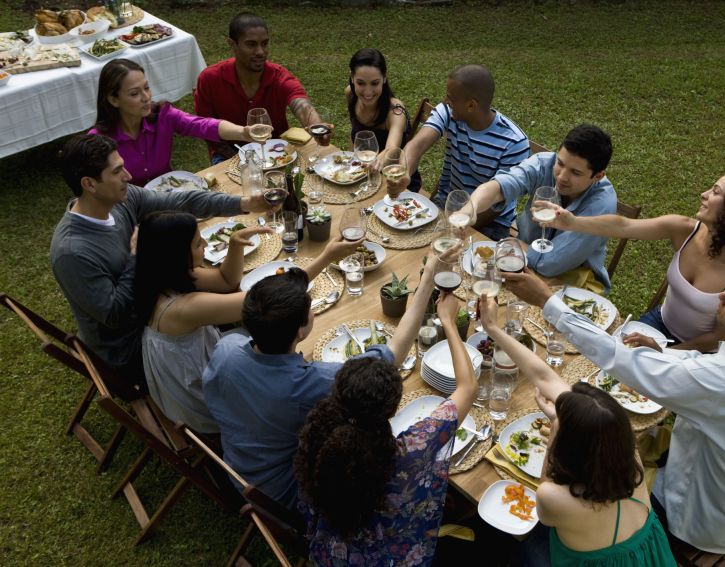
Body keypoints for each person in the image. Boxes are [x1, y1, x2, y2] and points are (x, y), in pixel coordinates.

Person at [500, 265, 725, 555]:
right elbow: (720, 368)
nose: (721, 295)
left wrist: (547, 300)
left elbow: (616, 357)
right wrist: (665, 355)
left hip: (693, 516)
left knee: (556, 515)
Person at [202, 253, 444, 510]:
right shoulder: (311, 383)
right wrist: (428, 279)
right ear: (302, 330)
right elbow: (391, 355)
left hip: (238, 469)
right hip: (282, 494)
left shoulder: (226, 348)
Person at [50, 133, 273, 383]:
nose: (129, 176)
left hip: (156, 302)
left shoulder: (120, 199)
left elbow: (180, 201)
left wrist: (244, 203)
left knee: (233, 289)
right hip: (132, 349)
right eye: (117, 171)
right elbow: (116, 315)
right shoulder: (71, 252)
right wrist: (136, 255)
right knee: (259, 320)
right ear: (89, 184)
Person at [480, 297, 674, 565]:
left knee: (515, 551)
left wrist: (556, 429)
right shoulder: (627, 455)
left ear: (571, 448)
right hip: (650, 557)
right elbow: (546, 378)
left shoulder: (553, 498)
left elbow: (545, 487)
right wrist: (492, 328)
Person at [134, 211, 362, 433]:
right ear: (174, 254)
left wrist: (234, 246)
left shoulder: (160, 274)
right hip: (203, 399)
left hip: (192, 375)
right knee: (281, 337)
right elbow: (268, 299)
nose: (205, 243)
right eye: (196, 243)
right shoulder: (185, 309)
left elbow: (225, 281)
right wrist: (326, 257)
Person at [295, 292, 476, 566]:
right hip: (389, 557)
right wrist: (448, 322)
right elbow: (468, 387)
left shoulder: (320, 430)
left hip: (329, 554)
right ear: (392, 410)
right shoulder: (409, 452)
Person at [537, 170, 725, 352]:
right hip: (657, 322)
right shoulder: (686, 230)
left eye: (715, 192)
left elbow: (717, 338)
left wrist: (663, 353)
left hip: (697, 352)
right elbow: (625, 226)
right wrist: (571, 222)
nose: (703, 194)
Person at [386, 64, 529, 240]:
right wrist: (405, 172)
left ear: (471, 105)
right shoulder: (448, 112)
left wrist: (454, 226)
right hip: (445, 204)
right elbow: (416, 145)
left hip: (489, 224)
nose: (446, 101)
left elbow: (495, 206)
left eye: (451, 97)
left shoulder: (513, 142)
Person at [467, 124, 617, 290]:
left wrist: (519, 246)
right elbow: (501, 187)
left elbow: (551, 264)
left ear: (598, 176)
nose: (562, 176)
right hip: (520, 263)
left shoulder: (602, 204)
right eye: (560, 163)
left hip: (571, 284)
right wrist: (472, 207)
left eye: (575, 173)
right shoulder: (544, 163)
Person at [89, 59, 252, 186]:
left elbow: (202, 125)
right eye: (134, 93)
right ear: (113, 100)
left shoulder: (162, 115)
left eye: (146, 88)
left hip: (169, 198)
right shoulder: (98, 142)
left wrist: (244, 132)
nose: (146, 97)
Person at [194, 12, 331, 163]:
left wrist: (316, 125)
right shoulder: (209, 79)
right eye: (251, 44)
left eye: (264, 43)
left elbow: (301, 104)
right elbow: (205, 129)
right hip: (229, 154)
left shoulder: (278, 76)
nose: (261, 52)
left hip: (276, 151)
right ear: (232, 44)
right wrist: (241, 162)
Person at [345, 48, 422, 192]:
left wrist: (377, 160)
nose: (368, 92)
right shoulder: (350, 94)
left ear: (384, 78)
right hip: (363, 176)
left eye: (375, 83)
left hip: (395, 183)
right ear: (352, 77)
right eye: (361, 83)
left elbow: (391, 149)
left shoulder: (395, 111)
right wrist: (351, 163)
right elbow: (354, 132)